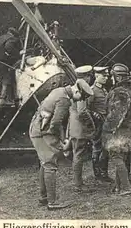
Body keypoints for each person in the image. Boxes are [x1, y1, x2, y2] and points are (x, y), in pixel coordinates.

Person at [29, 79, 93, 210]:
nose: (79, 100)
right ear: (76, 90)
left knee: (45, 164)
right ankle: (52, 202)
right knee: (50, 165)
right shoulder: (64, 100)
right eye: (80, 97)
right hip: (42, 132)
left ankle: (44, 198)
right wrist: (60, 143)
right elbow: (55, 124)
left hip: (36, 129)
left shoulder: (59, 90)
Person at [101, 63, 131, 196]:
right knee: (121, 157)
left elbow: (116, 116)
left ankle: (126, 187)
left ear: (117, 77)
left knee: (116, 156)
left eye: (112, 76)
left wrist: (107, 130)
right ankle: (118, 186)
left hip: (119, 130)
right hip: (129, 128)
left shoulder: (120, 93)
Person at [69, 65, 97, 192]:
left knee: (78, 153)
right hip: (79, 127)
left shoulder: (75, 86)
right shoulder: (82, 88)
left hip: (75, 126)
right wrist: (91, 125)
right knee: (79, 154)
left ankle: (78, 183)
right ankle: (78, 184)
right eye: (90, 76)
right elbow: (82, 111)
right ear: (86, 76)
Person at [0, 27, 22, 105]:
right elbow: (8, 47)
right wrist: (18, 53)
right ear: (15, 35)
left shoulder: (1, 37)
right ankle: (3, 99)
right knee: (7, 77)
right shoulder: (12, 38)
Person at [88, 66, 112, 182]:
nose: (106, 78)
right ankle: (97, 173)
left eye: (107, 75)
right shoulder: (91, 91)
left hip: (105, 122)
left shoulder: (103, 90)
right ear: (97, 76)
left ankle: (104, 172)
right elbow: (86, 109)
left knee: (106, 148)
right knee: (97, 148)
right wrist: (95, 115)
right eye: (104, 75)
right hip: (98, 124)